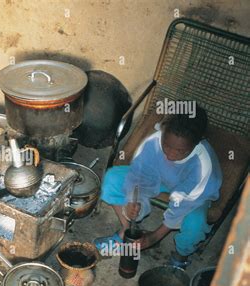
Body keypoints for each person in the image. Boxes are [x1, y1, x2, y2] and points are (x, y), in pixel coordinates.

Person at [94, 106, 222, 268]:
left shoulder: (203, 166)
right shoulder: (153, 142)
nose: (170, 154)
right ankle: (127, 233)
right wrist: (134, 201)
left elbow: (181, 207)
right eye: (166, 146)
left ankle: (180, 256)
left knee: (195, 224)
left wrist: (153, 238)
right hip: (159, 177)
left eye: (180, 151)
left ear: (197, 143)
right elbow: (139, 175)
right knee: (113, 178)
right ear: (163, 133)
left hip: (193, 193)